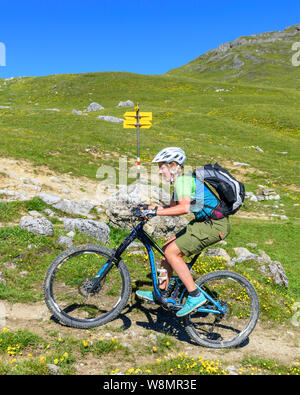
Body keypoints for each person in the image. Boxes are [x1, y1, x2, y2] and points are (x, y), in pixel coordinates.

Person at [136, 147, 231, 317]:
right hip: (203, 222)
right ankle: (162, 294)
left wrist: (155, 212)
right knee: (166, 249)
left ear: (173, 165)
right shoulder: (180, 181)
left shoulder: (183, 181)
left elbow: (184, 208)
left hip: (214, 225)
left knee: (172, 252)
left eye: (162, 167)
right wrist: (148, 208)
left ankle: (195, 296)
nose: (160, 171)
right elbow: (172, 207)